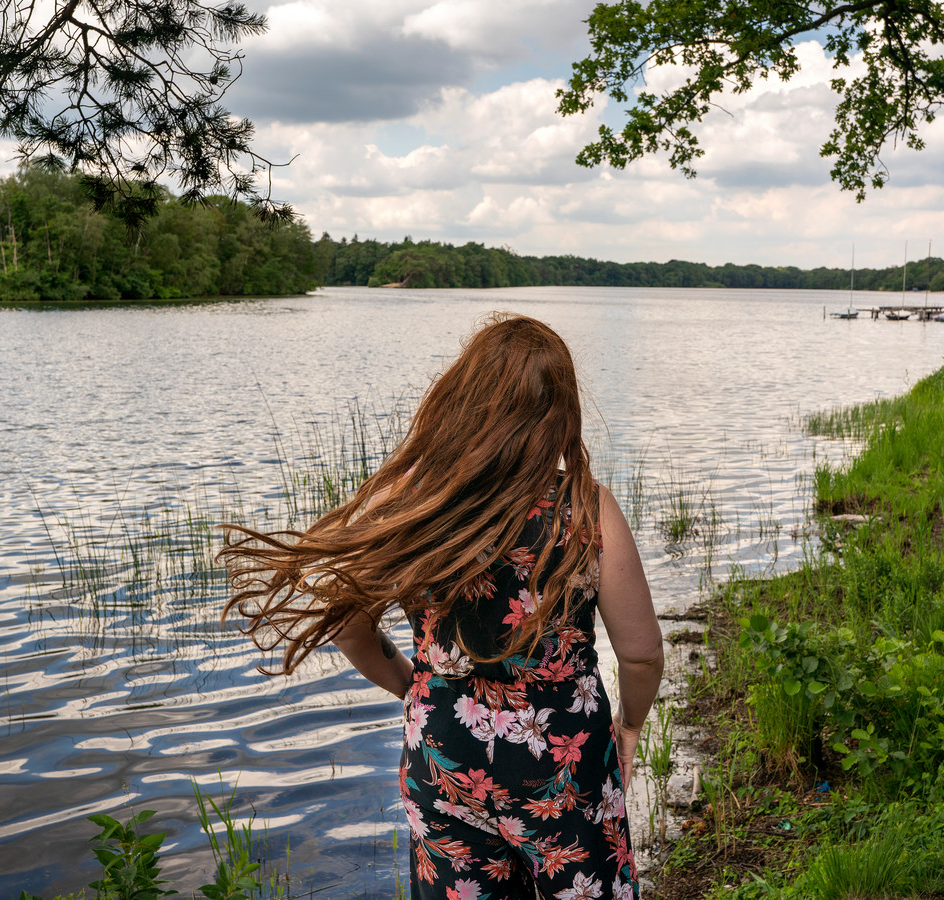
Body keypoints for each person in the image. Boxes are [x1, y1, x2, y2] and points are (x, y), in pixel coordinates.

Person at [219, 313, 663, 900]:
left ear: (461, 399)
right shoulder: (584, 509)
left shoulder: (411, 500)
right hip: (562, 762)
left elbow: (348, 628)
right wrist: (629, 726)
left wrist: (413, 687)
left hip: (443, 752)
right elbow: (640, 654)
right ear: (560, 414)